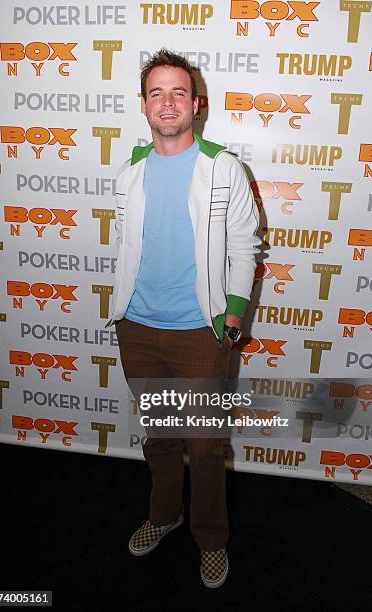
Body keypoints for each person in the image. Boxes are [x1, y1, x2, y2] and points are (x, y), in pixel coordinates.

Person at [106, 48, 261, 588]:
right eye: (156, 92)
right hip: (139, 331)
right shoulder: (129, 170)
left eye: (178, 92)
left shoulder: (224, 169)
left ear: (196, 105)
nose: (167, 102)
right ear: (143, 105)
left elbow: (245, 246)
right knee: (161, 438)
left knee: (204, 445)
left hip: (201, 333)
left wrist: (235, 316)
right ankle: (162, 515)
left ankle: (211, 539)